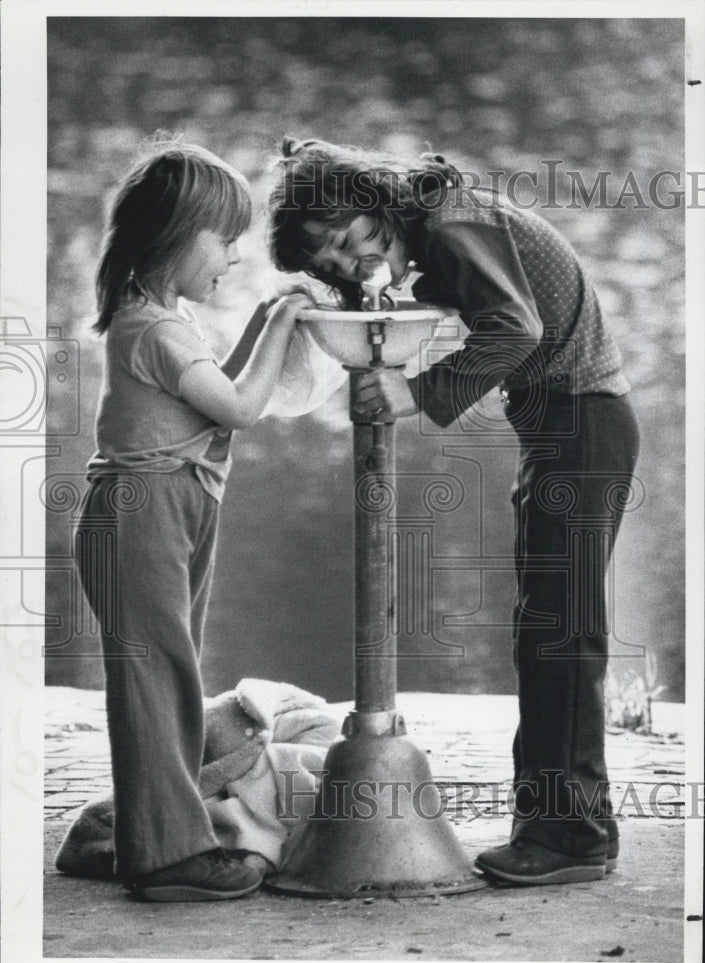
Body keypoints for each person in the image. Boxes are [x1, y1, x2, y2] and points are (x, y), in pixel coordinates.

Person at [267, 137, 640, 886]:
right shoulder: (431, 222)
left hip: (581, 427)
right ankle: (558, 824)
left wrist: (416, 392)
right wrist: (348, 298)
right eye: (330, 265)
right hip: (560, 427)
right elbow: (445, 296)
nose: (350, 265)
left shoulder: (443, 224)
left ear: (376, 206)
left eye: (350, 243)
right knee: (544, 631)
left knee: (559, 638)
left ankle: (572, 837)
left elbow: (516, 327)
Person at [75, 140, 311, 901]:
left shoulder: (166, 317)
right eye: (224, 237)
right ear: (172, 237)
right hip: (142, 514)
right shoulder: (153, 330)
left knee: (169, 678)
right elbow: (241, 406)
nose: (235, 256)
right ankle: (164, 858)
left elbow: (223, 391)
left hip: (174, 510)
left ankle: (142, 833)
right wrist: (280, 324)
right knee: (156, 680)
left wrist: (271, 319)